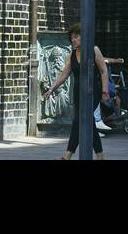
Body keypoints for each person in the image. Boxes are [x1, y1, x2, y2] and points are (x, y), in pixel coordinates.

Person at [43, 23, 110, 159]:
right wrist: (51, 89)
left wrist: (105, 91)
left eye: (76, 37)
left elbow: (103, 71)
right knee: (86, 122)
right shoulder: (72, 54)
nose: (73, 40)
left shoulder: (94, 50)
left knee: (79, 121)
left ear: (84, 37)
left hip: (93, 91)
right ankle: (100, 155)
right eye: (72, 38)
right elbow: (64, 74)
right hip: (78, 92)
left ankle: (67, 155)